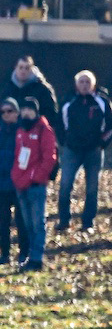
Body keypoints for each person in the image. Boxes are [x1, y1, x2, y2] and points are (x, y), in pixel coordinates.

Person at [58, 69, 111, 235]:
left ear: (93, 84)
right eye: (81, 81)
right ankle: (64, 220)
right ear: (76, 84)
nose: (84, 85)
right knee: (65, 184)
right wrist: (64, 142)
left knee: (92, 188)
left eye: (88, 82)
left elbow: (110, 126)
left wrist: (102, 143)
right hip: (72, 150)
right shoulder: (69, 101)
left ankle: (88, 222)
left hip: (94, 151)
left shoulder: (102, 102)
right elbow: (60, 123)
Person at [13, 93, 59, 269]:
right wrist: (16, 176)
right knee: (27, 225)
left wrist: (35, 177)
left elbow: (50, 158)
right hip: (20, 184)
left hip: (36, 185)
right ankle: (31, 256)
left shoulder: (44, 130)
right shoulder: (20, 130)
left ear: (36, 112)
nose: (26, 113)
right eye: (23, 109)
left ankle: (37, 258)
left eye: (29, 110)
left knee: (38, 223)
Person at [0, 97, 24, 264]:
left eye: (9, 111)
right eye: (3, 111)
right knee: (3, 222)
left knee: (21, 221)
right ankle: (5, 254)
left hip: (18, 183)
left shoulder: (22, 131)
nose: (6, 114)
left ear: (17, 112)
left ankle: (24, 253)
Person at [11, 53, 61, 126]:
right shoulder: (10, 88)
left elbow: (50, 114)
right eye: (21, 67)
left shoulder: (43, 89)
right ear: (15, 68)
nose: (23, 71)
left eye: (27, 68)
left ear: (32, 69)